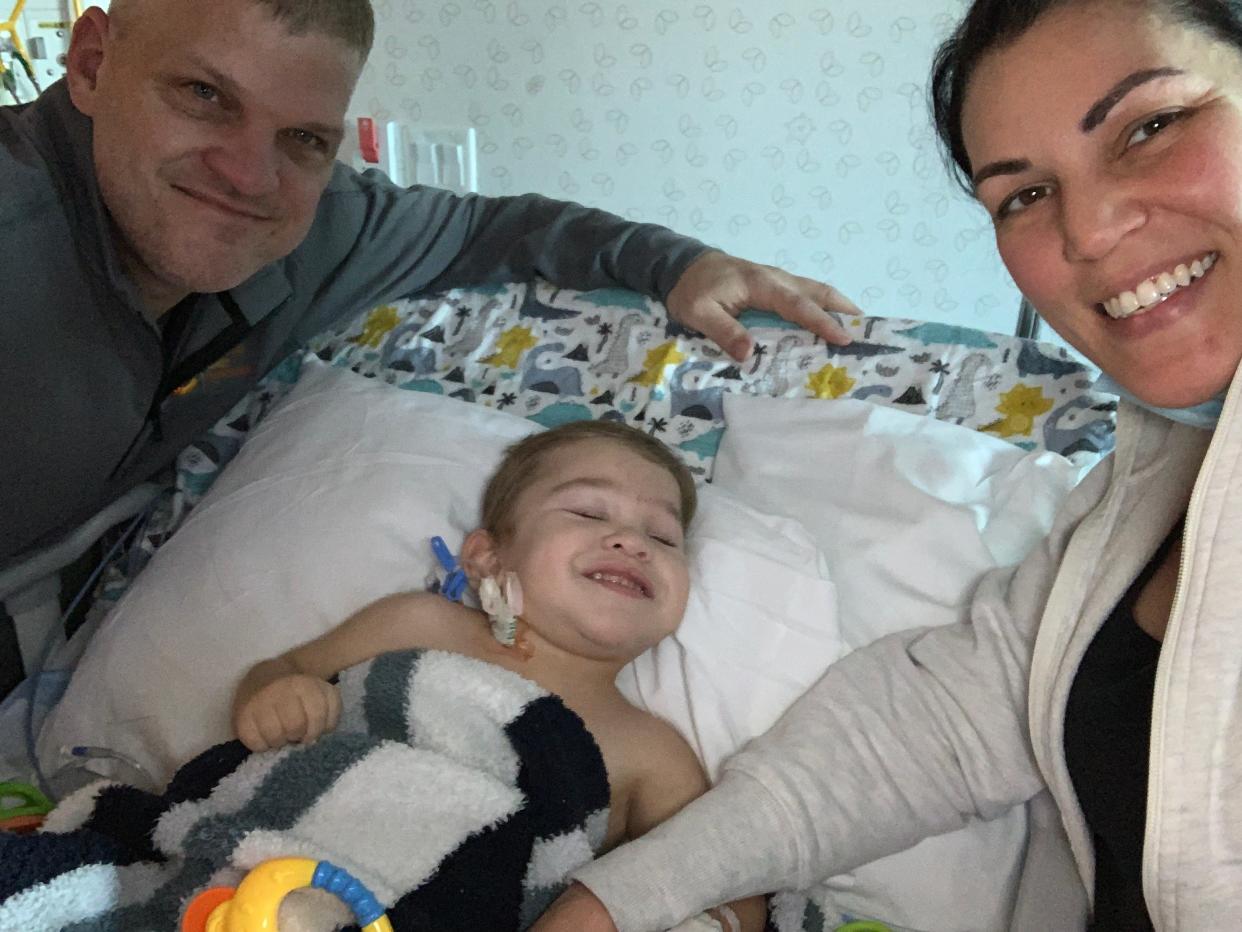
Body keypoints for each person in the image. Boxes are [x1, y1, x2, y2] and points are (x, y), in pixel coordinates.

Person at [529, 1, 1242, 930]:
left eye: (1152, 126)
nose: (1093, 232)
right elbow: (938, 728)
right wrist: (614, 902)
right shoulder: (1148, 489)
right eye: (1022, 195)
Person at [0, 0, 860, 568]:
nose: (248, 176)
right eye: (202, 95)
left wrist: (679, 264)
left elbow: (499, 228)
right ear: (91, 63)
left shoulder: (320, 226)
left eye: (302, 137)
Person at [231, 419, 764, 932]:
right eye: (588, 512)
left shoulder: (651, 752)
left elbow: (727, 873)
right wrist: (278, 695)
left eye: (665, 537)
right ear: (487, 557)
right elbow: (286, 670)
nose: (633, 541)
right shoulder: (418, 624)